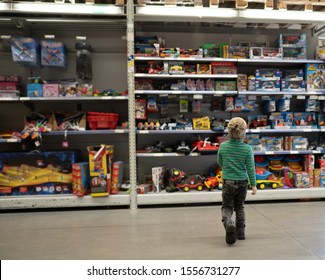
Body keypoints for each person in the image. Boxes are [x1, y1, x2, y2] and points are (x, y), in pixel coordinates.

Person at [217, 117, 257, 245]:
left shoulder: (223, 146)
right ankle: (241, 232)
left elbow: (220, 161)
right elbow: (251, 168)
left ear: (228, 132)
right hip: (242, 182)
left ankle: (229, 224)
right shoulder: (247, 149)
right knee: (239, 206)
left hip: (228, 181)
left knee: (227, 206)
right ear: (244, 132)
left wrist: (227, 169)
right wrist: (254, 185)